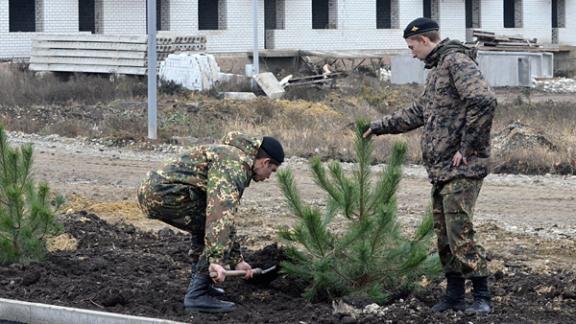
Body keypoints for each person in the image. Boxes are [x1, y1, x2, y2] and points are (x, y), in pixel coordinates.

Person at [364, 17, 496, 315]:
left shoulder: (456, 62)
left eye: (412, 46)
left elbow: (484, 101)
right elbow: (419, 111)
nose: (411, 53)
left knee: (460, 230)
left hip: (463, 167)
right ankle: (453, 296)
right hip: (442, 170)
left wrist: (468, 147)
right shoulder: (438, 70)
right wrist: (380, 126)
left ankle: (482, 296)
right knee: (444, 233)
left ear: (425, 40)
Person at [137, 132, 284, 313]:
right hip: (164, 194)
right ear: (265, 162)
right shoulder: (234, 165)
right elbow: (220, 213)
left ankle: (201, 286)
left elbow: (221, 218)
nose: (269, 177)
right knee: (214, 225)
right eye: (272, 171)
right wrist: (216, 260)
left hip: (160, 191)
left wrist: (237, 260)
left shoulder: (236, 158)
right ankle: (197, 295)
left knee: (208, 226)